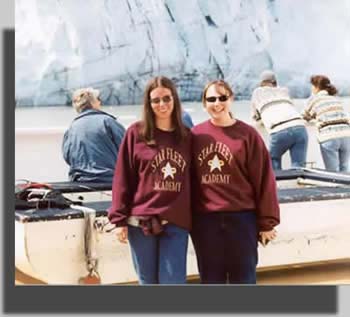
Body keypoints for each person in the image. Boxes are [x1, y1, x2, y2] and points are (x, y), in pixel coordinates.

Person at [191, 80, 280, 284]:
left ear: (231, 99)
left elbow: (264, 180)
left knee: (244, 279)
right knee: (211, 280)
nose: (217, 103)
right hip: (205, 221)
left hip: (242, 219)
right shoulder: (196, 135)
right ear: (204, 103)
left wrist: (267, 222)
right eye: (211, 99)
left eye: (222, 98)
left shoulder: (248, 135)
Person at [108, 76, 192, 284]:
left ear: (175, 100)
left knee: (173, 284)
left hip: (176, 221)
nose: (162, 105)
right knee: (148, 283)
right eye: (156, 100)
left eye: (166, 98)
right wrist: (118, 220)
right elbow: (122, 178)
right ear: (148, 103)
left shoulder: (187, 137)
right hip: (141, 222)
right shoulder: (135, 133)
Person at [62, 87, 126, 183]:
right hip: (109, 179)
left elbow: (67, 156)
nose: (100, 102)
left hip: (80, 180)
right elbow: (128, 150)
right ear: (93, 103)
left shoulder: (72, 128)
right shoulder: (108, 122)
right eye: (98, 99)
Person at [251, 70, 308, 170]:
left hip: (279, 130)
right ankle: (298, 182)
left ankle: (276, 184)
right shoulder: (284, 91)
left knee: (273, 160)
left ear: (261, 83)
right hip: (300, 127)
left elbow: (255, 117)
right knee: (299, 166)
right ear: (275, 82)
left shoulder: (257, 92)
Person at [303, 75, 350, 172]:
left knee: (332, 173)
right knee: (345, 169)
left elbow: (304, 116)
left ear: (316, 87)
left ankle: (335, 187)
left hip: (329, 136)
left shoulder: (315, 100)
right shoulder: (336, 99)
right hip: (346, 135)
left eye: (312, 86)